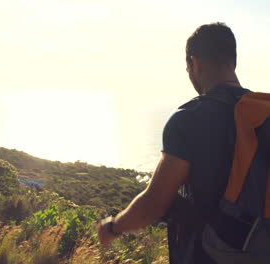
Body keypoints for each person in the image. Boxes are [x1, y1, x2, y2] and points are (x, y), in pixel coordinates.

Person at [98, 23, 269, 263]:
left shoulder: (190, 118)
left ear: (194, 63)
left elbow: (153, 205)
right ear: (234, 61)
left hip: (210, 255)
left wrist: (113, 227)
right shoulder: (263, 114)